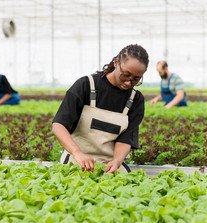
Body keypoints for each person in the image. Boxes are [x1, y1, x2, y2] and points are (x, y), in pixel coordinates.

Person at [52, 44, 149, 174]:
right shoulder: (86, 85)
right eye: (125, 75)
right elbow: (59, 125)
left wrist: (117, 161)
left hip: (111, 166)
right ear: (116, 63)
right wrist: (77, 153)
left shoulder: (135, 99)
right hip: (77, 161)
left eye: (136, 79)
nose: (128, 82)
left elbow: (126, 139)